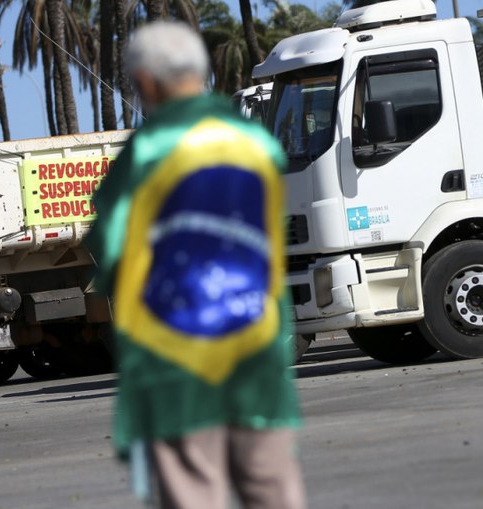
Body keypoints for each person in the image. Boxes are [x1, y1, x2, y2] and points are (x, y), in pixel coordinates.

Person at [85, 21, 305, 509]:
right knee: (271, 485)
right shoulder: (255, 141)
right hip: (256, 348)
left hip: (178, 357)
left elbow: (110, 245)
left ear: (144, 82)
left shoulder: (147, 150)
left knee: (192, 490)